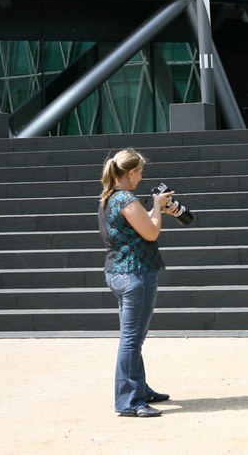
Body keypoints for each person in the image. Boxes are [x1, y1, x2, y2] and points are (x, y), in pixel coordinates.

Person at [98, 148, 181, 417]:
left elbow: (137, 227)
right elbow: (150, 232)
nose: (141, 178)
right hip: (135, 274)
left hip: (117, 272)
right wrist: (157, 207)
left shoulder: (109, 197)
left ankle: (139, 390)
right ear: (131, 172)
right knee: (131, 340)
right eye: (140, 172)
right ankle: (129, 401)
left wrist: (152, 211)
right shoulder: (125, 198)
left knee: (132, 339)